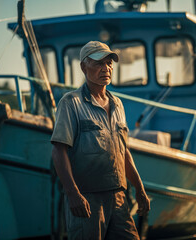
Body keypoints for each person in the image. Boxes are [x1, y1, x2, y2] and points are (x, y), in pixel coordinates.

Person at [51, 41, 150, 240]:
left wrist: (140, 189)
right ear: (83, 67)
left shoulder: (117, 104)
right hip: (87, 199)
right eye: (98, 63)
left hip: (119, 198)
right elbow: (59, 151)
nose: (106, 68)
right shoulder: (71, 103)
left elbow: (123, 152)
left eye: (109, 63)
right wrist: (73, 194)